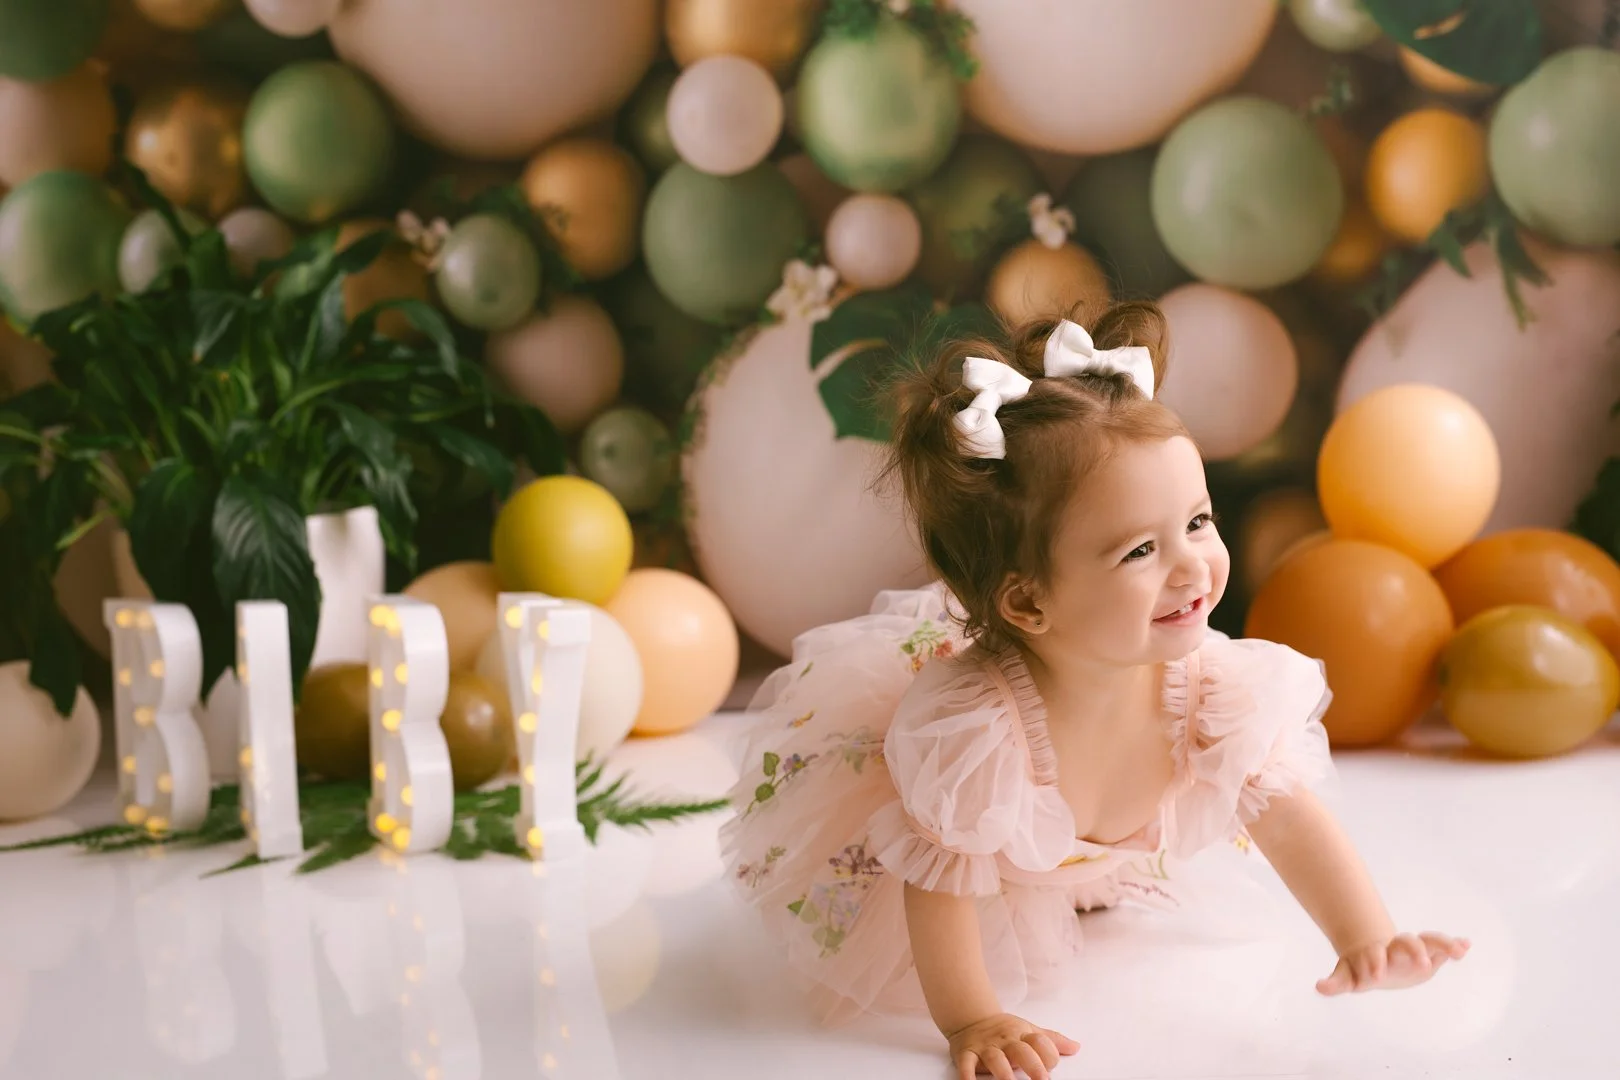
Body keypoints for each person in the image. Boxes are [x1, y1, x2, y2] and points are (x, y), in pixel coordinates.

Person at [720, 303, 1469, 1080]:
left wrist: (1367, 936)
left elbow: (1287, 819)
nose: (1191, 567)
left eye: (1199, 522)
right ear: (1028, 604)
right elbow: (937, 883)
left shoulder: (1213, 688)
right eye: (1141, 549)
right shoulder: (972, 733)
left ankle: (1091, 881)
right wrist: (973, 1017)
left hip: (1091, 842)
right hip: (1001, 856)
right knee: (967, 858)